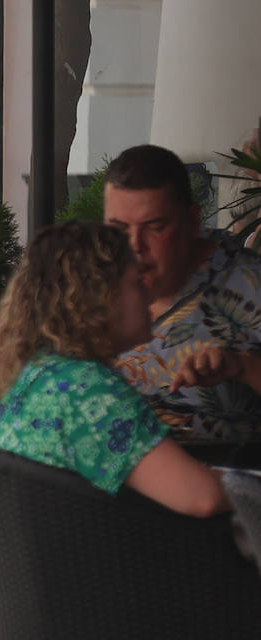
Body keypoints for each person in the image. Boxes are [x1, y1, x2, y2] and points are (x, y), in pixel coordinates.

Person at [0, 219, 229, 640]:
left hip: (38, 629)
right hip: (109, 635)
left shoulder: (29, 382)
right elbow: (202, 498)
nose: (148, 293)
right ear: (97, 296)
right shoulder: (91, 394)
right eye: (137, 282)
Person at [105, 143, 261, 441]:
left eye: (154, 227)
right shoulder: (94, 287)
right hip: (107, 476)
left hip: (224, 473)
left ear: (191, 221)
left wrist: (243, 366)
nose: (134, 245)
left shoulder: (249, 283)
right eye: (119, 228)